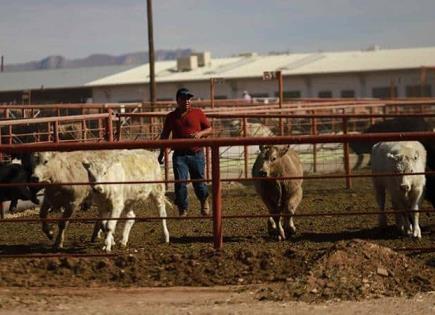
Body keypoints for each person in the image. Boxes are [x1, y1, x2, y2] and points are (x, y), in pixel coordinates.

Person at [158, 88, 213, 217]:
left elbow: (209, 128)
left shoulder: (198, 113)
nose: (187, 101)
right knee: (180, 183)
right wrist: (161, 153)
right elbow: (164, 135)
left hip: (196, 153)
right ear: (178, 100)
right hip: (179, 154)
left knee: (199, 183)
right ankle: (183, 208)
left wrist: (200, 134)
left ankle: (204, 200)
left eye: (189, 98)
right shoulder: (171, 117)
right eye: (184, 98)